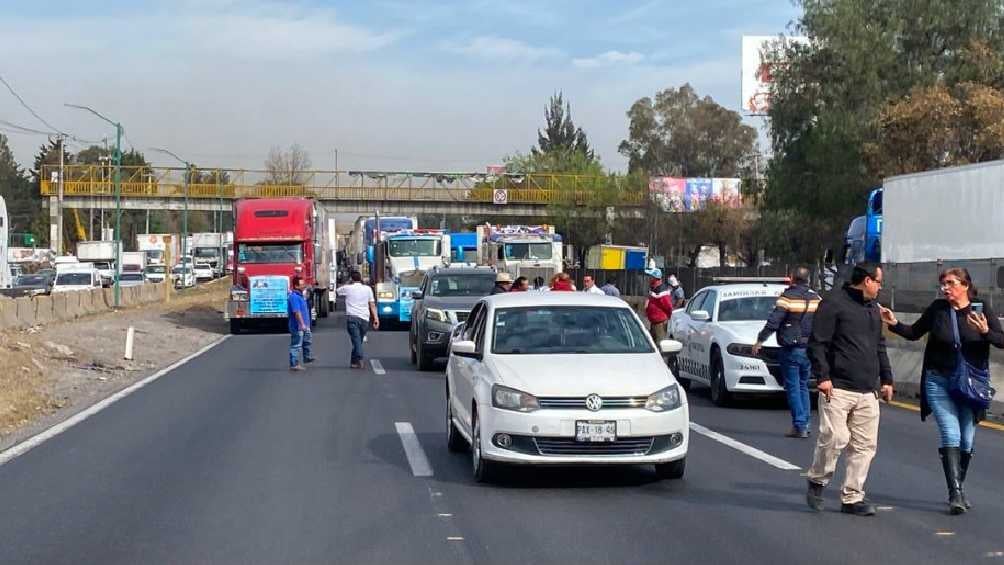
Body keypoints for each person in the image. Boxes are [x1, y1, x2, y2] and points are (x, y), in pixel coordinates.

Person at [881, 267, 1004, 515]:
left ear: (965, 285)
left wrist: (984, 332)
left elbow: (1001, 340)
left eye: (950, 283)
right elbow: (914, 333)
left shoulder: (981, 309)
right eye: (943, 284)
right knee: (951, 433)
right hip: (939, 381)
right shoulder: (938, 309)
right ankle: (955, 494)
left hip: (970, 385)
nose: (945, 288)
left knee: (967, 440)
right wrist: (893, 323)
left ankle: (959, 486)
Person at [805, 262, 894, 516]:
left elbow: (879, 346)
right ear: (867, 280)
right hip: (837, 387)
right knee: (835, 438)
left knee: (865, 446)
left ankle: (852, 497)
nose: (880, 287)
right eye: (878, 282)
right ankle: (817, 480)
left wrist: (886, 379)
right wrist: (823, 377)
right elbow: (818, 343)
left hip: (868, 390)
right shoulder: (834, 303)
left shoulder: (874, 310)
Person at [753, 266, 821, 438]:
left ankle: (799, 425)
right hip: (809, 348)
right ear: (807, 280)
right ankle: (805, 422)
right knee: (804, 385)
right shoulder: (816, 298)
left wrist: (760, 340)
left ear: (792, 278)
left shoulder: (787, 298)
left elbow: (774, 321)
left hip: (791, 349)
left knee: (792, 387)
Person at [336, 271, 379, 369]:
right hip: (365, 318)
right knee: (358, 340)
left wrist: (347, 283)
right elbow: (372, 305)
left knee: (356, 340)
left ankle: (359, 358)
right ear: (361, 278)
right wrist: (376, 318)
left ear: (351, 279)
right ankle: (353, 362)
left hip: (352, 318)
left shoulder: (347, 288)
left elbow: (337, 291)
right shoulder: (367, 289)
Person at [287, 277, 314, 371]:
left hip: (305, 325)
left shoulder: (301, 296)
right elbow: (297, 312)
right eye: (302, 284)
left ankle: (307, 357)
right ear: (296, 286)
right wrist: (302, 324)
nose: (304, 285)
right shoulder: (294, 297)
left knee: (307, 341)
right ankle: (294, 364)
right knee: (296, 345)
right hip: (297, 326)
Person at [644, 268, 673, 343]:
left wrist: (667, 319)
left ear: (655, 278)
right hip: (653, 322)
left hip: (660, 323)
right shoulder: (653, 289)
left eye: (650, 276)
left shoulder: (662, 292)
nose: (648, 278)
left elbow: (669, 307)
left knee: (660, 344)